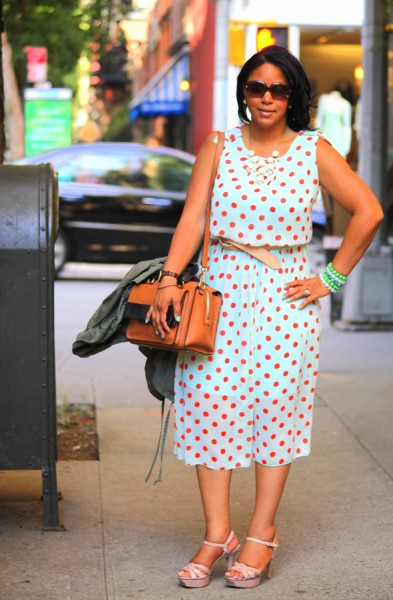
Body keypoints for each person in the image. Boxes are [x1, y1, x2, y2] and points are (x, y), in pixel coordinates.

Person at [147, 45, 383, 589]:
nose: (267, 98)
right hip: (219, 296)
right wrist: (168, 280)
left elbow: (369, 212)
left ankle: (261, 533)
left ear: (295, 95)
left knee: (276, 414)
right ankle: (216, 535)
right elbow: (193, 217)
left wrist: (331, 280)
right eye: (257, 87)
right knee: (210, 409)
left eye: (279, 89)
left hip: (285, 301)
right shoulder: (218, 145)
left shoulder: (313, 150)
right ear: (244, 94)